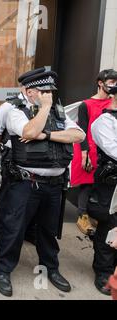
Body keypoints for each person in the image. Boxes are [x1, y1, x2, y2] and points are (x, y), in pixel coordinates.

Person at [0, 68, 85, 297]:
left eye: (50, 92)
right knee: (14, 229)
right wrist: (43, 112)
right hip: (26, 182)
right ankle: (3, 270)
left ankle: (50, 269)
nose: (48, 96)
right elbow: (28, 130)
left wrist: (47, 135)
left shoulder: (58, 111)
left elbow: (78, 136)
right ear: (28, 90)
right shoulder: (14, 108)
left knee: (48, 231)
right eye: (42, 92)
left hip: (54, 184)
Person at [0, 70, 45, 250]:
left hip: (35, 160)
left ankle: (27, 231)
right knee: (8, 197)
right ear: (26, 88)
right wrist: (5, 150)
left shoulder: (41, 106)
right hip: (13, 159)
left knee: (30, 199)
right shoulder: (8, 106)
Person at [71, 69, 117, 236]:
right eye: (111, 82)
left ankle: (97, 213)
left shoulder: (113, 104)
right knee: (87, 181)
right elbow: (81, 130)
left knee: (102, 182)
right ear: (100, 83)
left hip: (106, 151)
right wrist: (85, 154)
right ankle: (82, 215)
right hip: (88, 147)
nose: (114, 85)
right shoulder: (86, 105)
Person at [88, 85, 117, 295]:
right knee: (109, 227)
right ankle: (104, 272)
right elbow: (114, 150)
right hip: (111, 184)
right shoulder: (104, 122)